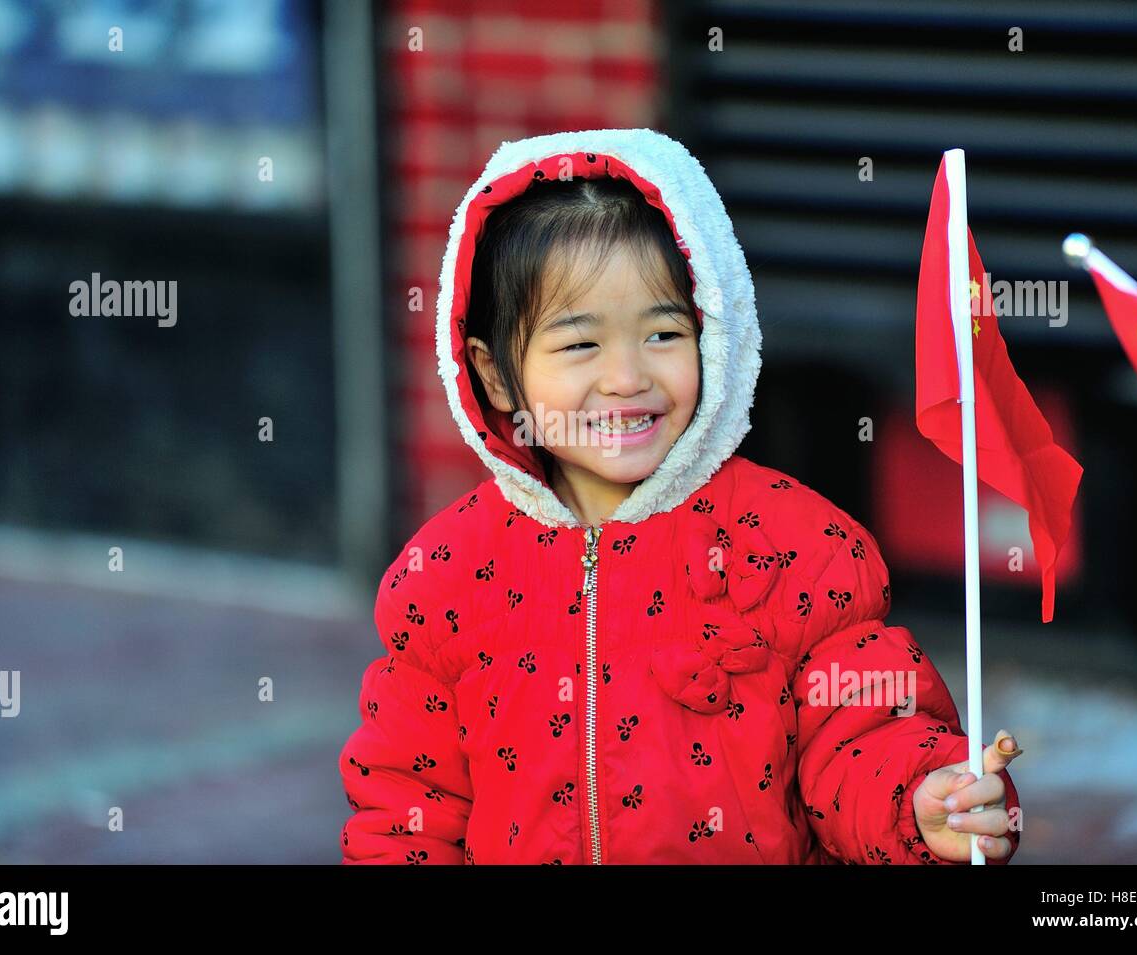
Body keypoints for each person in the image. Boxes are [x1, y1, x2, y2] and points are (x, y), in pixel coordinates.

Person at [338, 128, 1021, 864]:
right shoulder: (444, 576)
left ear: (715, 335)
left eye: (664, 333)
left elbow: (865, 728)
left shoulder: (797, 548)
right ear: (496, 374)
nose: (628, 376)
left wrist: (923, 796)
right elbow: (404, 803)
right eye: (579, 344)